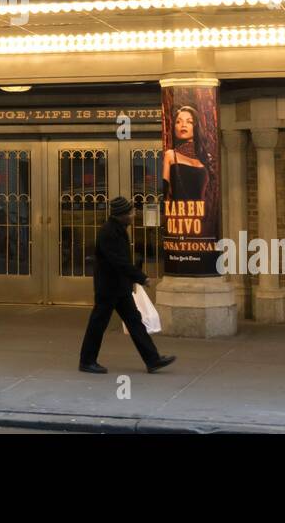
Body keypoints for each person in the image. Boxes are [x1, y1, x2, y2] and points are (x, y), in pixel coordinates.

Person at [79, 196, 176, 375]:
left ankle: (152, 360)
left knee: (135, 322)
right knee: (98, 324)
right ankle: (87, 361)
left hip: (119, 287)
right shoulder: (109, 232)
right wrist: (141, 278)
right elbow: (119, 262)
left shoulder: (119, 229)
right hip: (108, 288)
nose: (133, 215)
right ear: (121, 215)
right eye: (130, 212)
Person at [162, 105, 208, 202]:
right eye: (178, 122)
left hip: (203, 214)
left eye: (189, 122)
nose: (183, 125)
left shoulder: (206, 157)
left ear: (195, 127)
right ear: (174, 128)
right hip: (178, 213)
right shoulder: (170, 155)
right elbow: (164, 191)